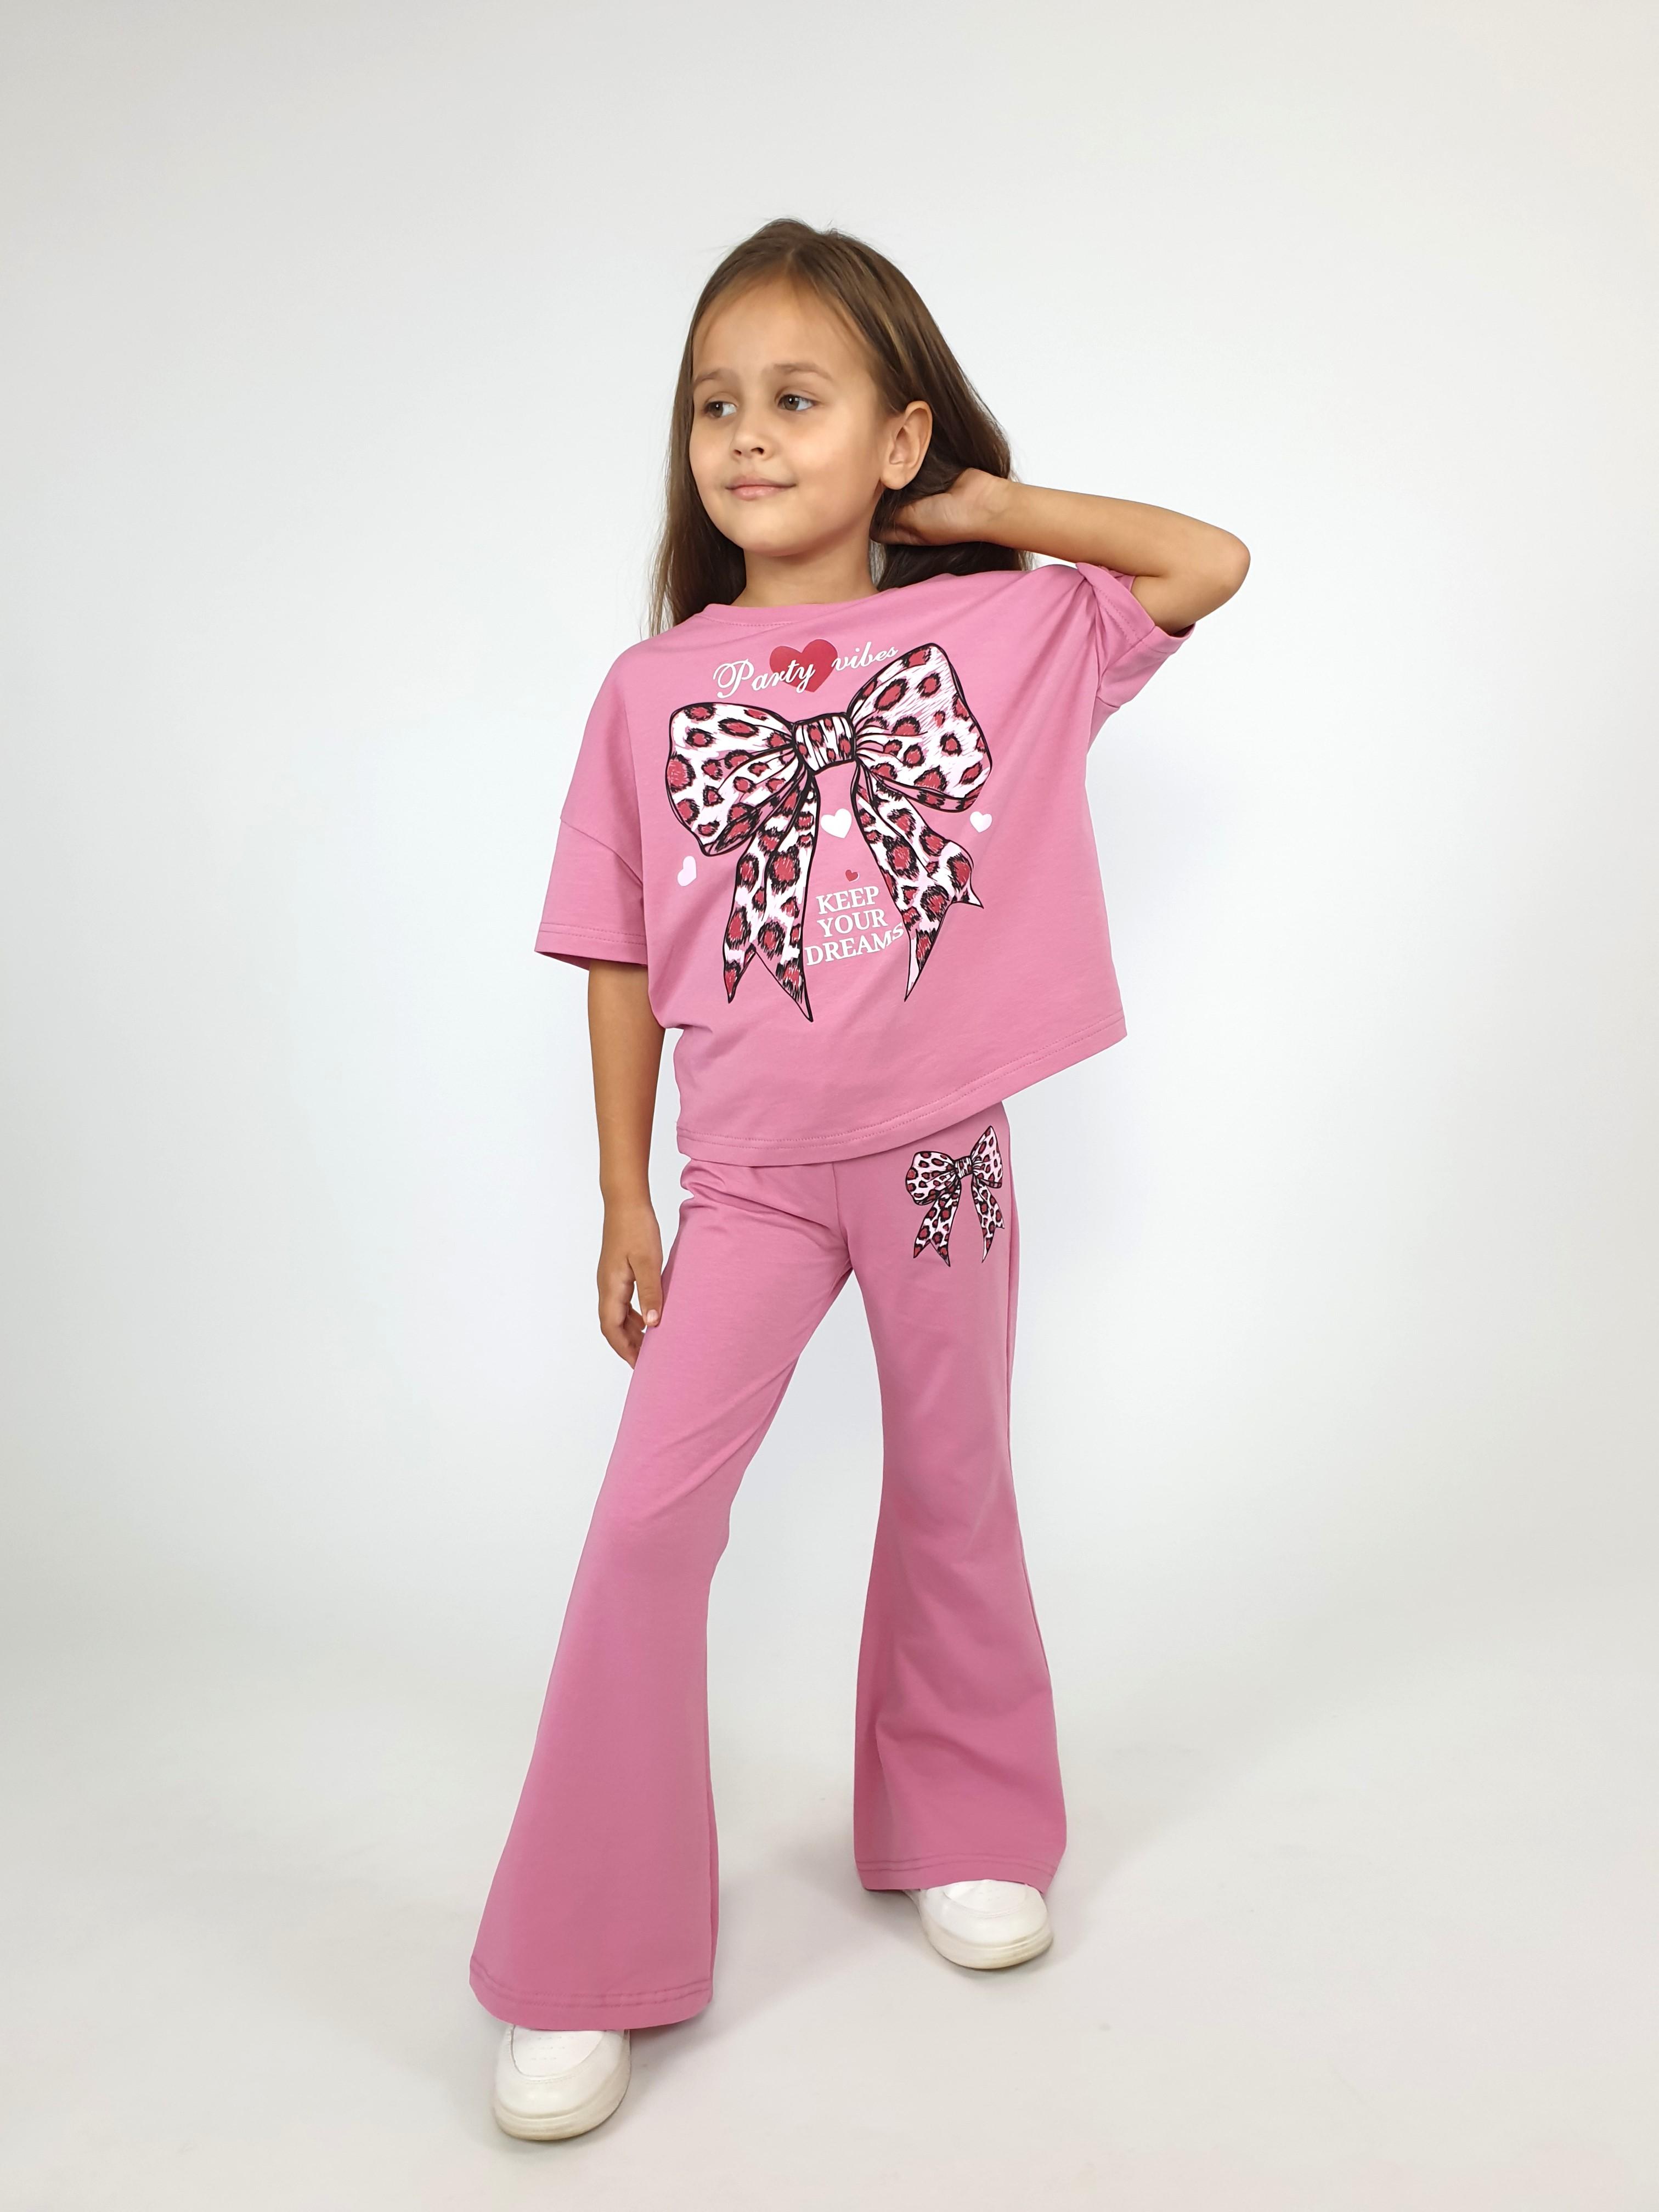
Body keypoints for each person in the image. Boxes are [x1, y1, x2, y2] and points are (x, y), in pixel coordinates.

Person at [471, 216, 1249, 2140]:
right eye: (715, 405)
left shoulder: (1002, 628)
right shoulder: (649, 690)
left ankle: (965, 1822)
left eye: (798, 399)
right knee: (645, 1530)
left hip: (939, 1160)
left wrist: (979, 507)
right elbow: (618, 953)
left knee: (954, 1479)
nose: (746, 436)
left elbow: (1204, 563)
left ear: (894, 437)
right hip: (747, 1182)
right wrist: (626, 1193)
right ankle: (584, 1951)